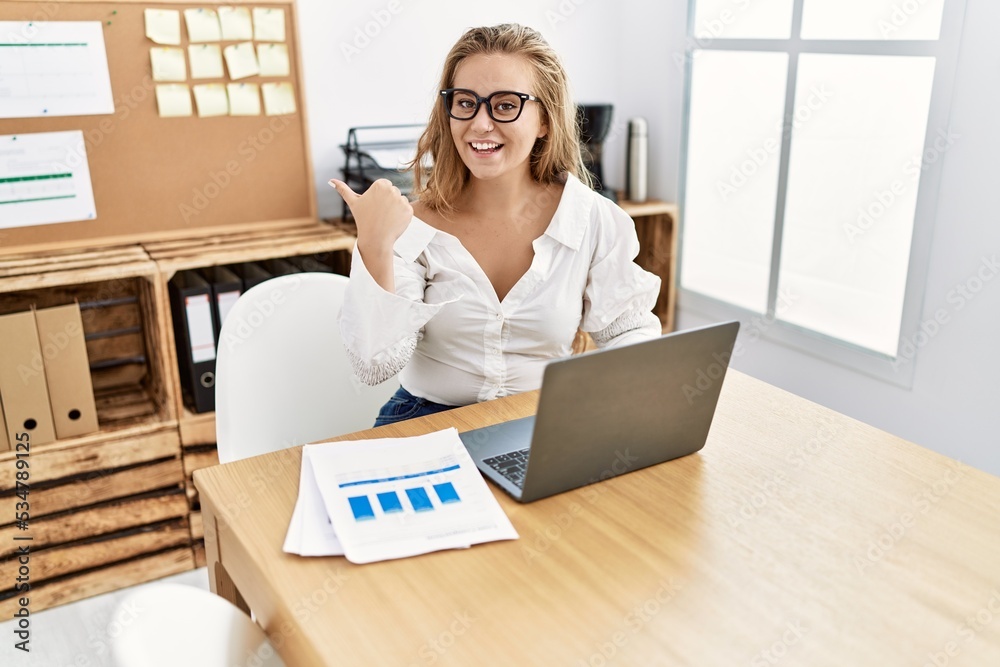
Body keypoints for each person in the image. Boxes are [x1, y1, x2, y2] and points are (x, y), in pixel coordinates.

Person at [331, 23, 661, 427]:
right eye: (466, 103)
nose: (481, 124)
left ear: (545, 121)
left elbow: (627, 329)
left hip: (544, 420)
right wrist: (375, 244)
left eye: (505, 105)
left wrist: (615, 400)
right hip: (426, 420)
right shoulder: (411, 227)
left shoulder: (592, 219)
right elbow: (374, 366)